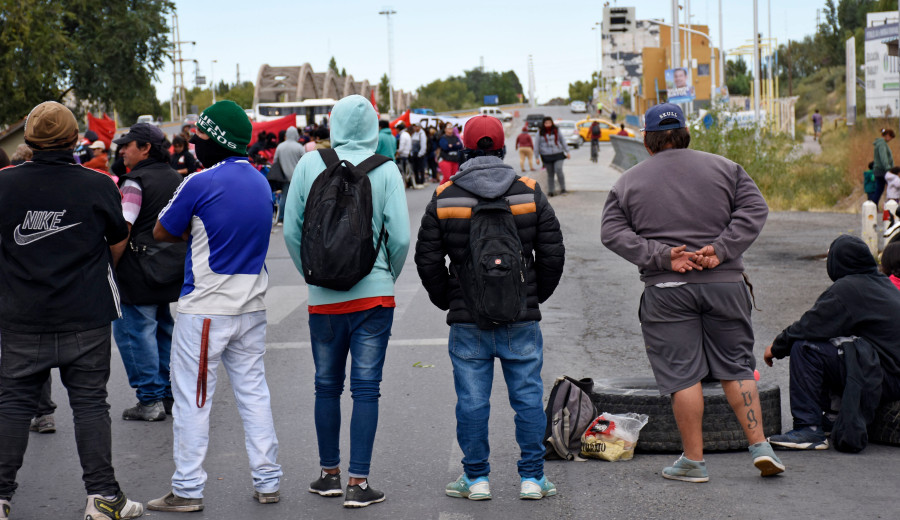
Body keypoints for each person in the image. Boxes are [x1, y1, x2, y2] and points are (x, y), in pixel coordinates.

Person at [601, 102, 784, 482]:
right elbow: (755, 209)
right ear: (686, 133)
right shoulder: (726, 168)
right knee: (736, 366)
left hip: (667, 289)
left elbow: (612, 233)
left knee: (684, 376)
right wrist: (720, 249)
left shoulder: (627, 182)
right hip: (726, 284)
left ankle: (694, 461)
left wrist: (663, 256)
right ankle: (761, 446)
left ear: (648, 141)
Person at [0, 101, 143, 519]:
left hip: (21, 314)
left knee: (12, 404)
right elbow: (119, 240)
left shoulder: (3, 185)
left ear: (28, 140)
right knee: (90, 405)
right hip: (85, 313)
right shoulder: (97, 184)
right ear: (74, 138)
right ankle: (102, 498)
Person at [415, 115, 565, 501]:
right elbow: (552, 255)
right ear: (502, 148)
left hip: (469, 321)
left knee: (471, 401)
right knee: (528, 398)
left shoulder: (445, 195)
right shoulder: (529, 191)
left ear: (464, 148)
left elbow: (428, 260)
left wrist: (450, 299)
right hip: (521, 318)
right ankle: (532, 478)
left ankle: (476, 478)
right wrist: (532, 296)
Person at [148, 100, 282, 512]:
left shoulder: (199, 183)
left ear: (216, 141)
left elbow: (160, 230)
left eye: (200, 137)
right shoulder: (261, 181)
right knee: (254, 394)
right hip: (252, 308)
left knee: (193, 400)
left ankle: (187, 489)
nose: (193, 143)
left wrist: (196, 234)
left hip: (207, 309)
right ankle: (268, 480)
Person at [283, 94, 410, 509]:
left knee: (325, 385)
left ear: (334, 124)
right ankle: (358, 483)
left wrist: (313, 275)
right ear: (374, 127)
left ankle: (328, 475)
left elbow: (291, 230)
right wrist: (386, 277)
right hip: (374, 297)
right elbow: (402, 237)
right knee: (366, 390)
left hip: (323, 299)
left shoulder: (308, 163)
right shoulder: (386, 170)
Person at [764, 235, 900, 451]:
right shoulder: (881, 283)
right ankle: (836, 415)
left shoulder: (849, 288)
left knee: (806, 348)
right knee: (835, 344)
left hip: (885, 377)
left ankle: (808, 429)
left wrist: (776, 347)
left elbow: (809, 325)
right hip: (888, 373)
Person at [112, 123, 184, 422]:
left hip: (138, 271)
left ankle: (149, 399)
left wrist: (110, 266)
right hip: (170, 269)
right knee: (164, 329)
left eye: (128, 144)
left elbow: (122, 230)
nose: (122, 149)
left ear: (144, 148)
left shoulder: (134, 182)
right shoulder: (175, 178)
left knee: (133, 332)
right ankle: (168, 394)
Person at [272, 126, 305, 224]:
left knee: (284, 197)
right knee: (299, 198)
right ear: (296, 135)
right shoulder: (299, 147)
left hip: (284, 177)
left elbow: (275, 161)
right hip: (297, 177)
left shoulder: (280, 146)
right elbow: (305, 160)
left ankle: (281, 218)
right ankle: (297, 218)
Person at [535, 117, 570, 197]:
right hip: (546, 155)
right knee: (550, 174)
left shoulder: (556, 130)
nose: (548, 125)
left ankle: (563, 189)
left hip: (558, 153)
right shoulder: (540, 132)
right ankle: (551, 191)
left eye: (549, 123)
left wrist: (567, 151)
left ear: (552, 123)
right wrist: (536, 157)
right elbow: (536, 145)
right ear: (543, 124)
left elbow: (562, 141)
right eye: (546, 123)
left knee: (558, 169)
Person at [872, 128, 895, 205]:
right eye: (891, 137)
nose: (890, 140)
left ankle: (874, 205)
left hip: (879, 170)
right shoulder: (882, 144)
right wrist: (889, 168)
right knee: (892, 187)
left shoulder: (880, 143)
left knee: (880, 189)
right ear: (888, 135)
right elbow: (883, 157)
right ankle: (890, 205)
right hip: (883, 170)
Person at [396, 123, 414, 188]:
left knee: (403, 171)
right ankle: (408, 183)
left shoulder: (403, 135)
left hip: (403, 155)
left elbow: (401, 147)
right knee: (407, 170)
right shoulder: (407, 134)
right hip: (408, 154)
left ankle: (404, 184)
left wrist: (397, 152)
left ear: (398, 129)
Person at [411, 123, 428, 187]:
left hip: (419, 154)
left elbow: (423, 145)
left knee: (421, 168)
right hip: (414, 154)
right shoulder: (414, 134)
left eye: (416, 127)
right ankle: (417, 180)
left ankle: (422, 181)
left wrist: (420, 154)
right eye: (414, 127)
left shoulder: (422, 134)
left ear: (419, 127)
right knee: (415, 168)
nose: (415, 128)